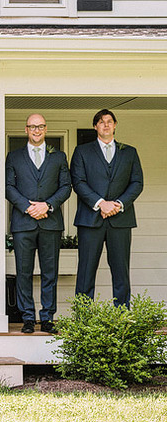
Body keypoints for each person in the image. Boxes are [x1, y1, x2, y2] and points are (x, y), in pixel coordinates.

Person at [6, 114, 72, 334]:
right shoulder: (14, 157)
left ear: (46, 129)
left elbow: (66, 187)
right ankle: (27, 317)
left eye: (41, 126)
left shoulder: (59, 156)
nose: (36, 130)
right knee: (23, 272)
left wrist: (48, 205)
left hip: (50, 222)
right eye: (32, 127)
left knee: (49, 272)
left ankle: (47, 317)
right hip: (23, 223)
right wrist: (28, 207)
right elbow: (8, 187)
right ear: (26, 129)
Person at [70, 109, 143, 308]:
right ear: (95, 127)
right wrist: (101, 203)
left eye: (109, 121)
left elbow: (137, 182)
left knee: (121, 271)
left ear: (115, 125)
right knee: (85, 272)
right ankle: (83, 319)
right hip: (90, 220)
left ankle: (122, 317)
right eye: (101, 122)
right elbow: (78, 182)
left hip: (120, 220)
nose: (106, 125)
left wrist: (117, 205)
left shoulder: (129, 152)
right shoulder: (82, 151)